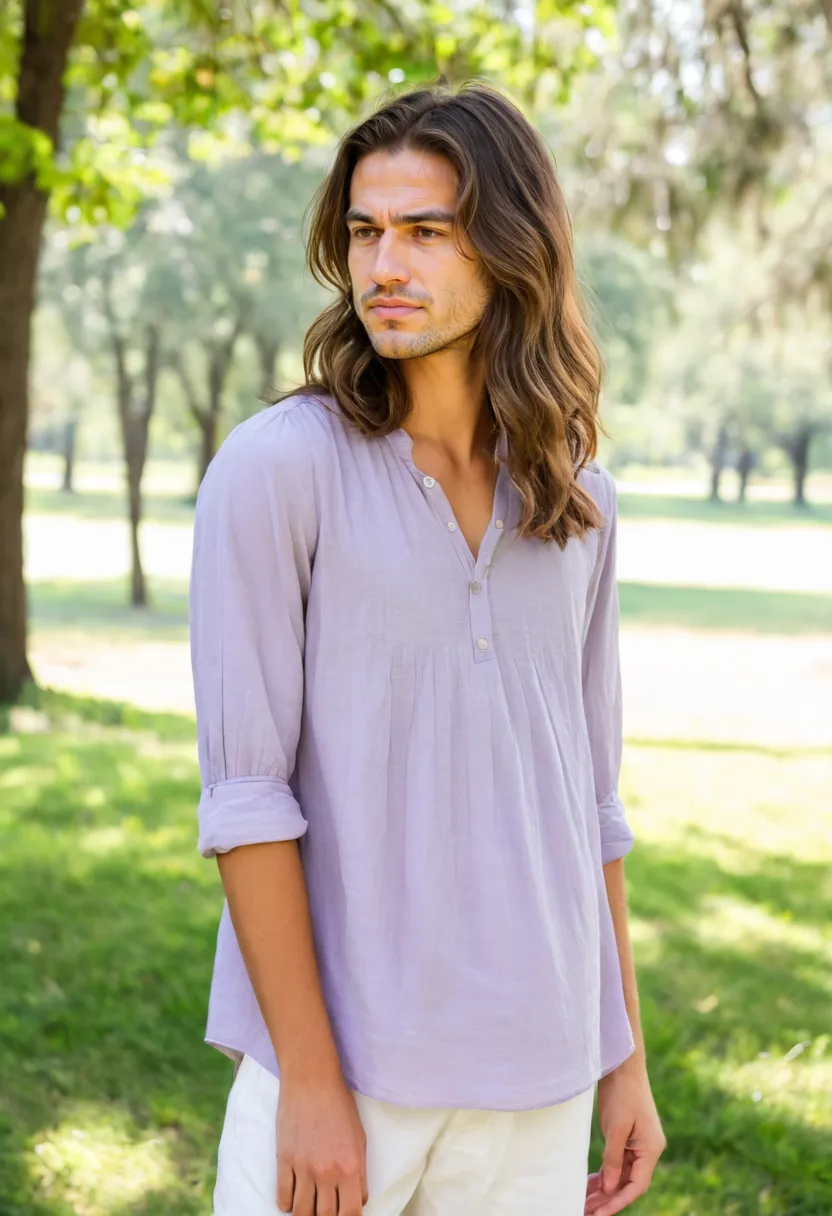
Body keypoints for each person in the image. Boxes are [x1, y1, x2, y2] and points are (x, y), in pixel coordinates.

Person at [189, 80, 666, 1216]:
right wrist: (307, 1081)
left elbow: (586, 804)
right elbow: (246, 798)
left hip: (538, 1073)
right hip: (348, 1070)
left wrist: (623, 1059)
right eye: (364, 231)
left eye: (425, 231)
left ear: (509, 247)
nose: (382, 265)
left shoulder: (577, 501)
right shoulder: (277, 469)